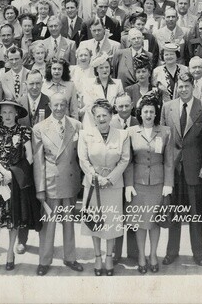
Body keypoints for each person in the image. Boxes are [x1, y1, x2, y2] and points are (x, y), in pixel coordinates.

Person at [0, 101, 41, 272]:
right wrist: (3, 172)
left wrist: (12, 174)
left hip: (15, 181)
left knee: (13, 219)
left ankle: (10, 253)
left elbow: (29, 158)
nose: (7, 115)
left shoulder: (24, 131)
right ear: (0, 114)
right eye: (4, 112)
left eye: (11, 112)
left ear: (16, 114)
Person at [33, 95, 86, 275]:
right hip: (50, 182)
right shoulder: (39, 128)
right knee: (49, 224)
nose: (59, 108)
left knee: (69, 223)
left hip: (70, 181)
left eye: (62, 104)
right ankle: (44, 260)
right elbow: (38, 161)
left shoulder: (77, 125)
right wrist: (40, 189)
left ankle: (70, 257)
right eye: (56, 104)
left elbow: (82, 156)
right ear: (49, 105)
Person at [164, 73, 202, 267]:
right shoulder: (168, 107)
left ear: (193, 86)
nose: (183, 89)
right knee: (174, 213)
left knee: (195, 215)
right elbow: (164, 139)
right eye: (180, 86)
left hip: (195, 170)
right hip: (174, 169)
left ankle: (198, 252)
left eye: (187, 86)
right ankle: (171, 251)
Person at [79, 100, 132, 276]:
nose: (101, 118)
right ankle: (97, 257)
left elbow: (125, 159)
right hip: (93, 184)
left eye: (105, 115)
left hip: (113, 185)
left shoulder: (122, 135)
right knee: (95, 221)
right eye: (98, 115)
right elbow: (83, 160)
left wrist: (110, 178)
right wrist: (95, 177)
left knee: (111, 223)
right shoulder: (85, 134)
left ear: (111, 116)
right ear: (93, 118)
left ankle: (109, 257)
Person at [124, 95, 175, 274]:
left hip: (158, 184)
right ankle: (141, 256)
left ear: (156, 114)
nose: (148, 115)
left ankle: (153, 255)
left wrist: (168, 184)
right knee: (139, 222)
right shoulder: (131, 132)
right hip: (138, 184)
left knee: (154, 222)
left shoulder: (165, 131)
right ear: (140, 113)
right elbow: (128, 161)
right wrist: (128, 185)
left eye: (151, 112)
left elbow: (169, 161)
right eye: (145, 111)